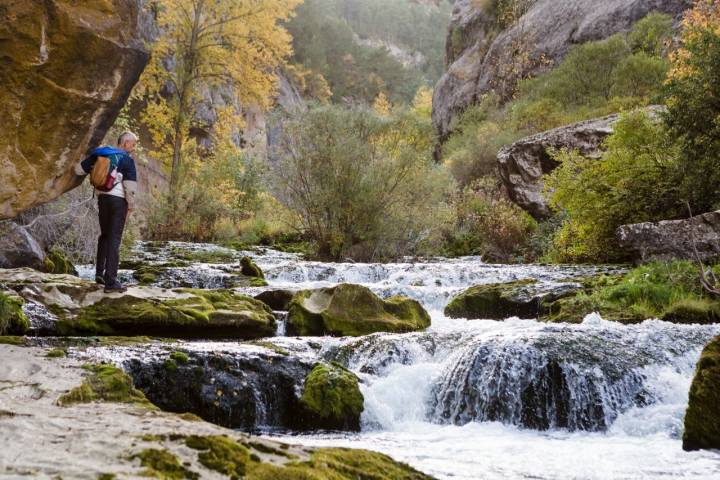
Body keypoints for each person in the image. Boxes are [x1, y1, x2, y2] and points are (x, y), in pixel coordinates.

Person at [75, 131, 139, 293]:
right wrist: (130, 206)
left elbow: (78, 170)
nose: (134, 148)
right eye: (133, 144)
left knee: (104, 235)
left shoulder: (101, 153)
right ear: (125, 143)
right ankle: (111, 282)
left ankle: (99, 274)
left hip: (102, 200)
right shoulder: (127, 160)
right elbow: (129, 187)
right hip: (119, 202)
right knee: (114, 239)